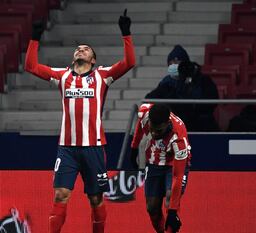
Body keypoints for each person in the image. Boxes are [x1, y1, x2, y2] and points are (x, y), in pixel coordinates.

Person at [24, 9, 135, 233]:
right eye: (78, 49)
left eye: (85, 49)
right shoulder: (62, 76)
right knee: (60, 194)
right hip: (67, 149)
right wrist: (34, 38)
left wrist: (126, 34)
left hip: (94, 148)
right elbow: (31, 67)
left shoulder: (103, 76)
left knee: (95, 199)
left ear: (93, 60)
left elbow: (129, 63)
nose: (80, 50)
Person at [130, 103, 191, 233]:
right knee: (152, 208)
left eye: (158, 131)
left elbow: (177, 176)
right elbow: (140, 127)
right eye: (152, 128)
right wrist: (134, 148)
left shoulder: (179, 139)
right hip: (154, 161)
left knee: (170, 201)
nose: (153, 133)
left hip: (174, 164)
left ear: (167, 124)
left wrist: (173, 211)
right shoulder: (145, 113)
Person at [146, 45, 219, 131]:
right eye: (171, 62)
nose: (175, 64)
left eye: (178, 61)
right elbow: (149, 99)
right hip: (174, 126)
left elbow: (211, 101)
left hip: (199, 125)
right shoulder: (166, 83)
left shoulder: (202, 80)